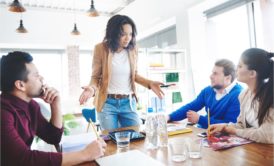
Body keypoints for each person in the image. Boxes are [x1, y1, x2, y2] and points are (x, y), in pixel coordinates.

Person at [0, 51, 107, 166]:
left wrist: (55, 103)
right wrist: (85, 154)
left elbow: (53, 138)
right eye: (36, 75)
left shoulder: (31, 106)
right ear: (20, 85)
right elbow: (24, 159)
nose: (42, 78)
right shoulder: (3, 112)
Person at [79, 15, 164, 130]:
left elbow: (134, 75)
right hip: (107, 103)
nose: (127, 38)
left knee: (135, 136)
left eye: (130, 34)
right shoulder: (101, 49)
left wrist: (150, 83)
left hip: (128, 103)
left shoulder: (133, 49)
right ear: (113, 33)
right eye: (123, 34)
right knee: (111, 141)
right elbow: (95, 77)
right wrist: (91, 89)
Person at [209, 48, 274, 144]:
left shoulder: (270, 97)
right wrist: (225, 126)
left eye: (240, 66)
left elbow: (267, 135)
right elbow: (241, 125)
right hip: (256, 150)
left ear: (252, 73)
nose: (236, 69)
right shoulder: (244, 95)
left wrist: (234, 131)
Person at [168, 59, 243, 128]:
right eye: (212, 73)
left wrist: (200, 119)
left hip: (225, 138)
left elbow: (230, 125)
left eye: (215, 74)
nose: (210, 76)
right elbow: (191, 107)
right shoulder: (208, 90)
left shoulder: (238, 95)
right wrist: (169, 117)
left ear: (228, 78)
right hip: (205, 133)